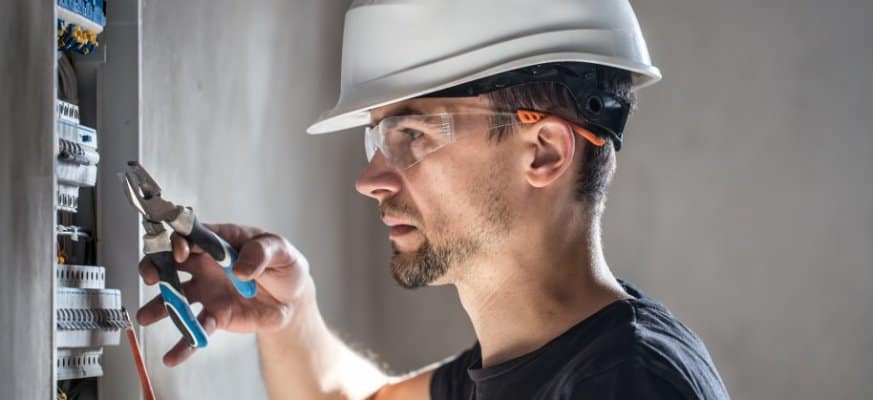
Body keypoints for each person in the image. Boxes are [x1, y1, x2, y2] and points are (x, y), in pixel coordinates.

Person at [135, 1, 729, 398]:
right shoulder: (531, 358)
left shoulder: (625, 384)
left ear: (543, 151)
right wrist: (291, 314)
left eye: (411, 135)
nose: (370, 179)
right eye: (379, 138)